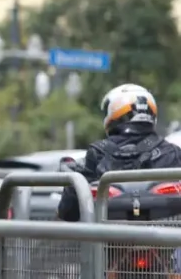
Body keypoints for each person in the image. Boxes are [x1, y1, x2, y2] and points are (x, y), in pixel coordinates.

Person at [58, 83, 181, 221]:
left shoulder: (98, 153)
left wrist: (72, 179)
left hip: (109, 240)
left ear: (114, 112)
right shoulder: (172, 152)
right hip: (166, 239)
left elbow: (68, 212)